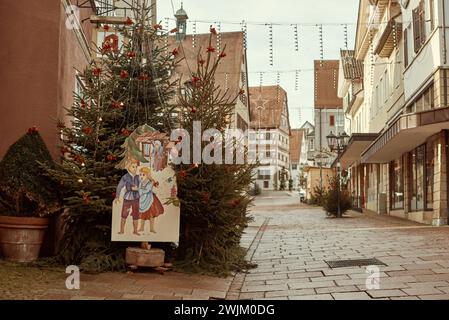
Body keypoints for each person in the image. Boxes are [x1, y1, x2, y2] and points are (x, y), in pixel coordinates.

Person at [114, 158, 140, 235]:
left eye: (136, 167)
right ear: (128, 167)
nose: (135, 169)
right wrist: (117, 196)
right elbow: (119, 186)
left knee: (136, 214)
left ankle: (135, 231)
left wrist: (138, 188)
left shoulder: (138, 177)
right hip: (128, 198)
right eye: (133, 167)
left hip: (136, 198)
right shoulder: (125, 177)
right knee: (124, 214)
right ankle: (122, 230)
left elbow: (142, 186)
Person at [138, 167, 164, 233]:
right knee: (143, 214)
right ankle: (141, 227)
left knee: (152, 214)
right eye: (140, 175)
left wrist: (139, 190)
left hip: (150, 199)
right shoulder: (141, 183)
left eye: (143, 175)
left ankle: (151, 228)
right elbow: (139, 190)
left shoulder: (150, 182)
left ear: (147, 175)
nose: (141, 176)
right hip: (143, 199)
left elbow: (147, 190)